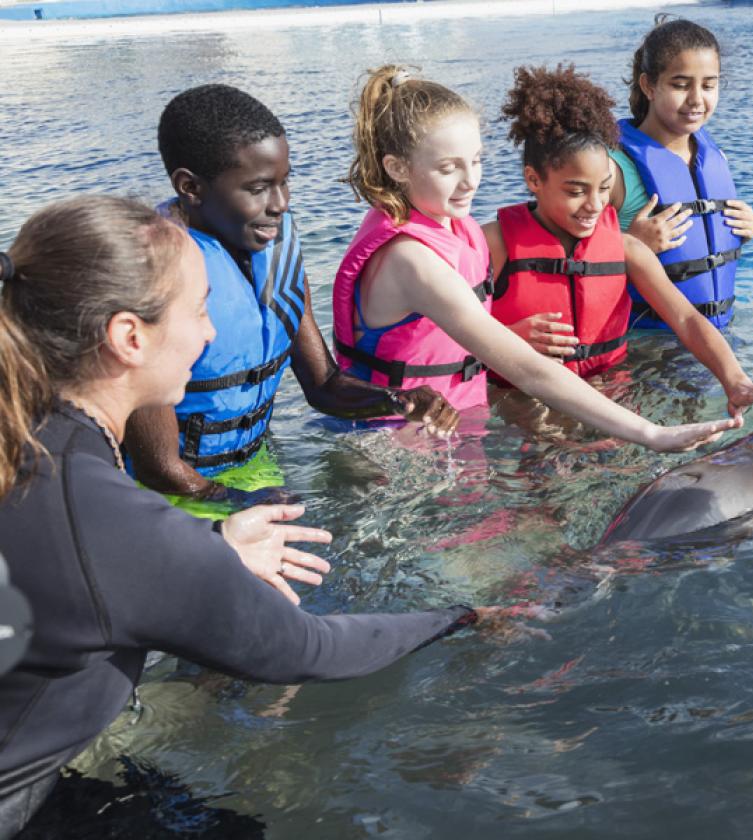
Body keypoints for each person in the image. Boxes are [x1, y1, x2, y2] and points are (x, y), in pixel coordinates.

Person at [0, 197, 510, 835]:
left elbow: (72, 564)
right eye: (200, 309)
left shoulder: (32, 441)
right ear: (130, 337)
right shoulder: (101, 516)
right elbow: (308, 650)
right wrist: (461, 617)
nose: (210, 333)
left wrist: (211, 539)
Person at [334, 65, 750, 451]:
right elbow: (527, 369)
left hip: (454, 427)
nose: (470, 181)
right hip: (396, 446)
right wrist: (650, 433)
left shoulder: (455, 231)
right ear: (398, 168)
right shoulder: (412, 259)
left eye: (476, 161)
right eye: (448, 168)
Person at [124, 84, 461, 516]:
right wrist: (241, 503)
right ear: (190, 186)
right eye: (259, 188)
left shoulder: (275, 248)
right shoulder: (154, 274)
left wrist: (400, 400)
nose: (280, 204)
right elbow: (157, 467)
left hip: (252, 470)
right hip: (172, 498)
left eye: (285, 183)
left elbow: (323, 386)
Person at [483, 63, 753, 414]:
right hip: (523, 401)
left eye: (603, 189)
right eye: (576, 191)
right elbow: (435, 327)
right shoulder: (495, 244)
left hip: (609, 393)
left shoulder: (625, 248)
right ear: (533, 180)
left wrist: (734, 379)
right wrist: (507, 337)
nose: (595, 205)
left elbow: (687, 320)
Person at [608, 16, 753, 331]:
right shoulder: (615, 167)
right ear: (649, 85)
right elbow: (563, 254)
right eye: (680, 84)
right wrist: (630, 244)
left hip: (717, 338)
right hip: (647, 351)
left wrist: (746, 226)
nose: (697, 99)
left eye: (708, 85)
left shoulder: (714, 156)